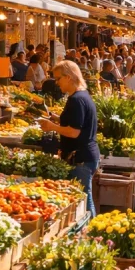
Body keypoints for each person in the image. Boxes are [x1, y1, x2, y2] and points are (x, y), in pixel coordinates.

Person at [37, 61, 99, 216]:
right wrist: (56, 118)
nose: (56, 83)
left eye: (58, 79)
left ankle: (92, 235)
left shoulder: (77, 100)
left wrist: (52, 126)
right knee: (83, 197)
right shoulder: (81, 95)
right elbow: (76, 122)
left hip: (81, 158)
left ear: (69, 77)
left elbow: (74, 132)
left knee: (84, 199)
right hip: (86, 155)